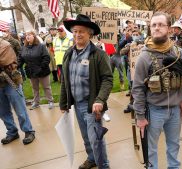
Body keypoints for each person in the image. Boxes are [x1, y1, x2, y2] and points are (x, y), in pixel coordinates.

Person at [132, 11, 182, 169]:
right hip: (154, 111)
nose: (157, 28)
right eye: (154, 25)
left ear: (169, 29)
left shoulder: (180, 54)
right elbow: (137, 89)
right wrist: (140, 116)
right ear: (150, 29)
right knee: (151, 150)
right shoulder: (144, 57)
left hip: (175, 110)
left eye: (161, 25)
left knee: (174, 147)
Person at [60, 14, 113, 169]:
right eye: (75, 31)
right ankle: (92, 159)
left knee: (96, 139)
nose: (77, 34)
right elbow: (65, 80)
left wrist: (100, 100)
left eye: (81, 31)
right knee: (86, 137)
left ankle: (104, 165)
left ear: (90, 33)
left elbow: (107, 79)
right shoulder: (69, 54)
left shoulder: (98, 55)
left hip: (92, 105)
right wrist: (64, 103)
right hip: (77, 105)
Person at [0, 38, 35, 145]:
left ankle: (28, 131)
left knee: (20, 109)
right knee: (3, 111)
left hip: (10, 80)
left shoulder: (4, 45)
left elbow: (7, 61)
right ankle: (12, 132)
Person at [19, 30, 54, 110]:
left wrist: (41, 67)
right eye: (26, 35)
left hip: (42, 71)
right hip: (31, 72)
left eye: (29, 35)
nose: (27, 36)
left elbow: (46, 58)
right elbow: (20, 59)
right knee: (35, 88)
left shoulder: (41, 46)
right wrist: (16, 66)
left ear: (34, 36)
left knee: (46, 87)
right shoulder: (24, 48)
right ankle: (36, 102)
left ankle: (50, 101)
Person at [120, 29, 144, 113]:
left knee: (141, 88)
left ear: (140, 35)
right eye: (134, 34)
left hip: (142, 70)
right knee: (133, 87)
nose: (135, 36)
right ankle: (131, 105)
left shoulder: (145, 44)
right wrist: (130, 47)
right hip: (132, 70)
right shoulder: (129, 44)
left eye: (137, 34)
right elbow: (121, 52)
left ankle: (140, 106)